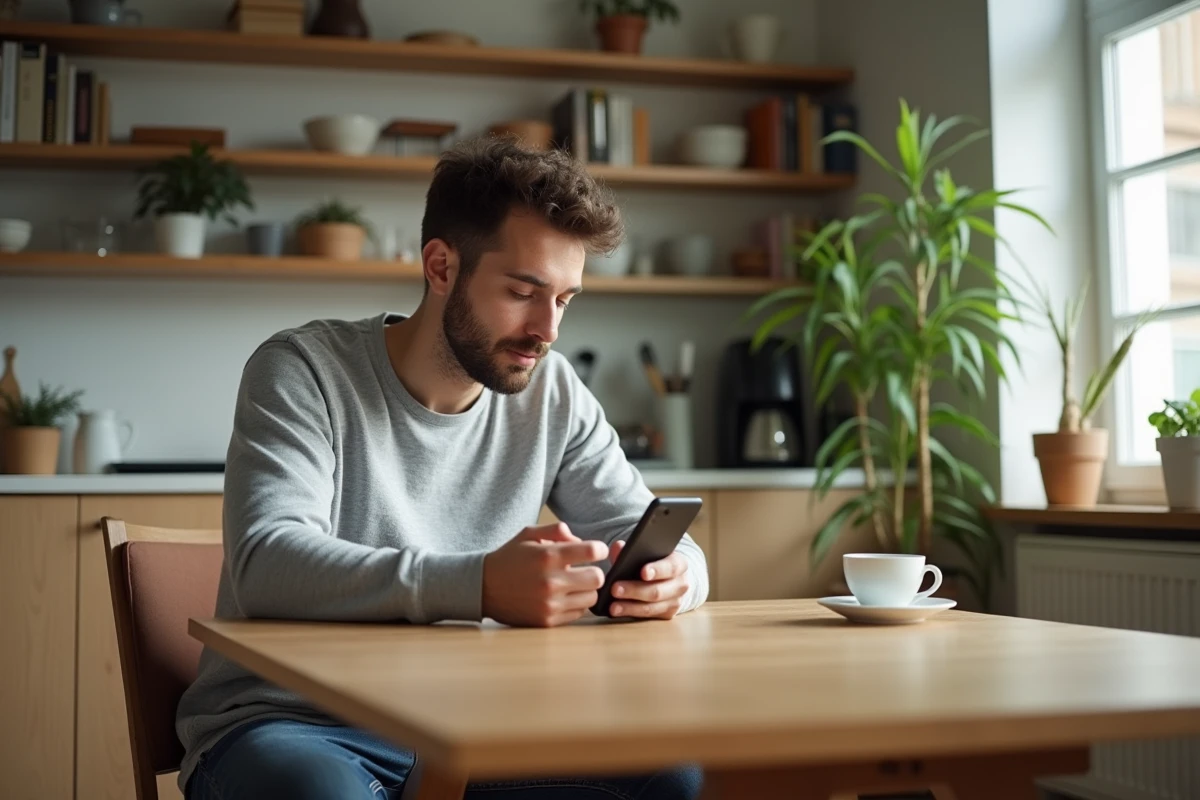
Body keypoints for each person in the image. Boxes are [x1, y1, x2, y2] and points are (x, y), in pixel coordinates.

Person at [176, 136, 709, 800]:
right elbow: (266, 562)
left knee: (670, 774)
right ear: (440, 266)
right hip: (291, 721)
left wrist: (675, 579)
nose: (547, 329)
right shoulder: (303, 371)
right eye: (523, 291)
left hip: (470, 720)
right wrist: (480, 585)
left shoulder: (552, 392)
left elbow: (667, 536)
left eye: (565, 299)